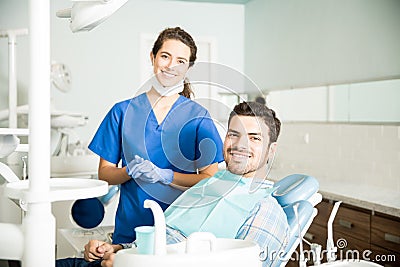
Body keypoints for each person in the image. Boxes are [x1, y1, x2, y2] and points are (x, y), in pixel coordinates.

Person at [57, 101, 290, 267]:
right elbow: (166, 238)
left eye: (255, 138)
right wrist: (118, 250)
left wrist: (134, 263)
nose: (240, 144)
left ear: (272, 150)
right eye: (233, 134)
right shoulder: (209, 184)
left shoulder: (266, 211)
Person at [86, 27, 224, 245]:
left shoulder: (198, 117)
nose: (171, 65)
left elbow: (210, 180)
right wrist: (128, 170)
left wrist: (166, 176)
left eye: (181, 61)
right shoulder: (121, 112)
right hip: (130, 230)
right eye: (165, 56)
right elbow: (105, 174)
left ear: (188, 68)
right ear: (153, 57)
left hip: (180, 234)